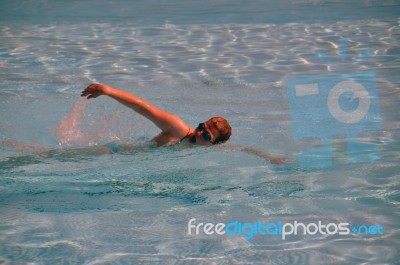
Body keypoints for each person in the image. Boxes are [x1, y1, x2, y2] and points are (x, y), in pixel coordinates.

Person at [80, 83, 286, 164]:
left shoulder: (211, 150)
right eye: (201, 127)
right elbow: (143, 107)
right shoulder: (177, 128)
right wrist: (108, 91)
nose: (198, 134)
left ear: (213, 144)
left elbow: (244, 149)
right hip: (113, 153)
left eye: (206, 136)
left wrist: (269, 157)